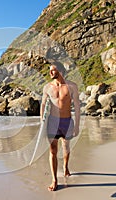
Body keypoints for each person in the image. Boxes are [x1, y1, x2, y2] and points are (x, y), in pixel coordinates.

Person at [40, 61, 80, 191]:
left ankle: (66, 166)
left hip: (67, 121)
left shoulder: (72, 86)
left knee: (66, 147)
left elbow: (77, 107)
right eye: (50, 70)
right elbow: (43, 104)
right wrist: (42, 120)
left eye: (53, 70)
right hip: (52, 122)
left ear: (60, 71)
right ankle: (54, 180)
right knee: (53, 151)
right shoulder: (47, 87)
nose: (50, 72)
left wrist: (77, 125)